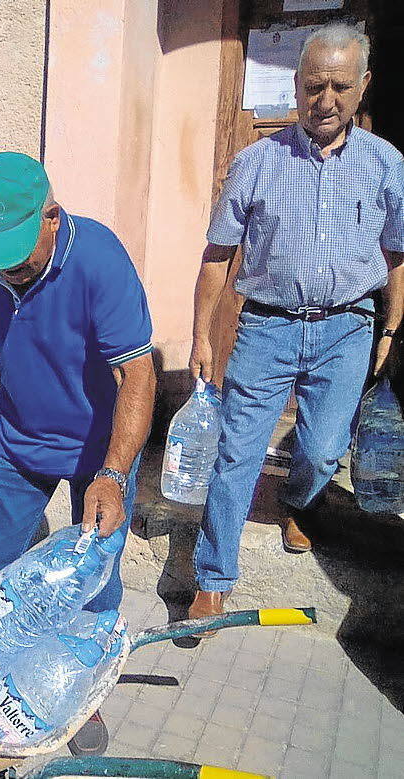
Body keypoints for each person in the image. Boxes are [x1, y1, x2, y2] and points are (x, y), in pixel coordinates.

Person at [188, 22, 404, 629]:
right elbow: (217, 255)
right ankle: (212, 577)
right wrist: (203, 335)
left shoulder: (388, 165)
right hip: (266, 328)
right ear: (295, 85)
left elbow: (397, 252)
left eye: (339, 86)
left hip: (347, 329)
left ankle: (300, 503)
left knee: (323, 448)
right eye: (314, 86)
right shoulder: (256, 162)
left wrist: (391, 327)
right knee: (236, 454)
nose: (326, 101)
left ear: (364, 86)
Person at [0, 151, 156, 753]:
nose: (5, 271)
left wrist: (115, 474)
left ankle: (78, 690)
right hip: (20, 439)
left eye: (16, 255)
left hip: (101, 447)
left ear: (52, 218)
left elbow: (137, 376)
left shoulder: (98, 259)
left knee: (91, 578)